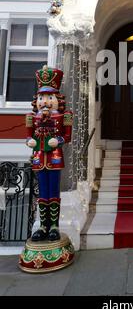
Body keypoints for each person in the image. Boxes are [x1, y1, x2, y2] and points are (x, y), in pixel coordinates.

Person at [25, 66, 72, 241]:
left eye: (49, 97)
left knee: (54, 190)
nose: (44, 101)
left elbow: (67, 136)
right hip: (39, 158)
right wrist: (29, 141)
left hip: (55, 157)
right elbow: (29, 136)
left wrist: (58, 140)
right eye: (41, 97)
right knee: (42, 191)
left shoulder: (64, 116)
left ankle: (54, 226)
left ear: (57, 99)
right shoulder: (32, 117)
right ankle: (42, 225)